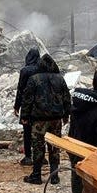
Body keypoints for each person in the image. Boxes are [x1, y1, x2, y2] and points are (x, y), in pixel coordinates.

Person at [21, 54, 71, 185]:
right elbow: (67, 98)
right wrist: (66, 115)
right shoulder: (60, 79)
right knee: (54, 147)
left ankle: (36, 175)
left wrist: (24, 116)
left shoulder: (34, 79)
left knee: (38, 146)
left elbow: (27, 99)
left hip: (39, 120)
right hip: (56, 120)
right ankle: (54, 176)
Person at [13, 47, 41, 166]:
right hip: (41, 105)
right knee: (40, 132)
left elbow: (20, 89)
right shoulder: (42, 69)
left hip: (27, 106)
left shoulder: (25, 70)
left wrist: (16, 106)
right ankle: (40, 156)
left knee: (27, 131)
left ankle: (28, 157)